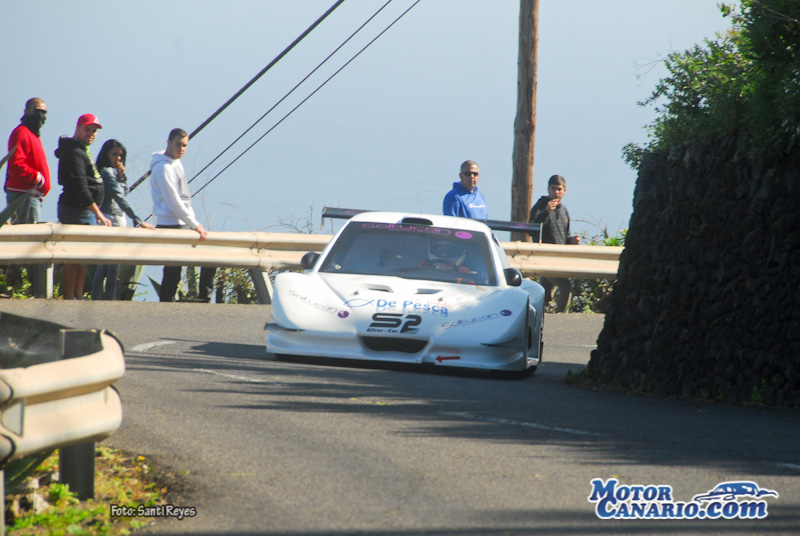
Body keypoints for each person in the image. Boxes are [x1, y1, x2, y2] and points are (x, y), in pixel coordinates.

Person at [150, 128, 215, 302]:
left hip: (182, 223)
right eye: (178, 144)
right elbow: (174, 203)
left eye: (184, 145)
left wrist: (192, 222)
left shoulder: (175, 163)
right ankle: (168, 304)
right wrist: (196, 225)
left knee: (208, 259)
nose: (181, 149)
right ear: (169, 142)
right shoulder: (163, 168)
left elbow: (183, 201)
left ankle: (202, 298)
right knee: (172, 271)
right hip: (171, 225)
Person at [55, 114, 112, 300]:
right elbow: (79, 185)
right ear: (78, 128)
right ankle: (69, 297)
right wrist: (98, 213)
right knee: (73, 257)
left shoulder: (82, 150)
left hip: (85, 211)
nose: (91, 134)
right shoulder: (74, 152)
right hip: (75, 209)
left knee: (82, 257)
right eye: (87, 129)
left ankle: (78, 296)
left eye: (94, 131)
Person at [91, 139, 155, 300]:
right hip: (109, 218)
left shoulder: (113, 172)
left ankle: (106, 300)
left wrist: (121, 177)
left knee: (112, 267)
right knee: (105, 266)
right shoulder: (106, 172)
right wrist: (138, 219)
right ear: (106, 155)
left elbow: (123, 193)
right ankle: (101, 300)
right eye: (114, 154)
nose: (118, 158)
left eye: (120, 155)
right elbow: (119, 197)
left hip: (118, 218)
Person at [528, 174, 580, 313]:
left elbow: (565, 238)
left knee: (545, 296)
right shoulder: (540, 206)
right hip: (544, 259)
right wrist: (545, 212)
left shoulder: (564, 211)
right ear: (548, 189)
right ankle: (561, 317)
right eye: (553, 189)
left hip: (558, 260)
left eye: (559, 189)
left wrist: (572, 241)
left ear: (564, 191)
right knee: (566, 287)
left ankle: (540, 318)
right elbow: (531, 230)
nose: (556, 192)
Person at [5, 98, 50, 223]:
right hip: (24, 195)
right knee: (29, 233)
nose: (40, 115)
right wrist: (37, 178)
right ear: (26, 111)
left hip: (32, 196)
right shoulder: (21, 133)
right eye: (36, 111)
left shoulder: (33, 135)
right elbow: (16, 163)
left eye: (43, 112)